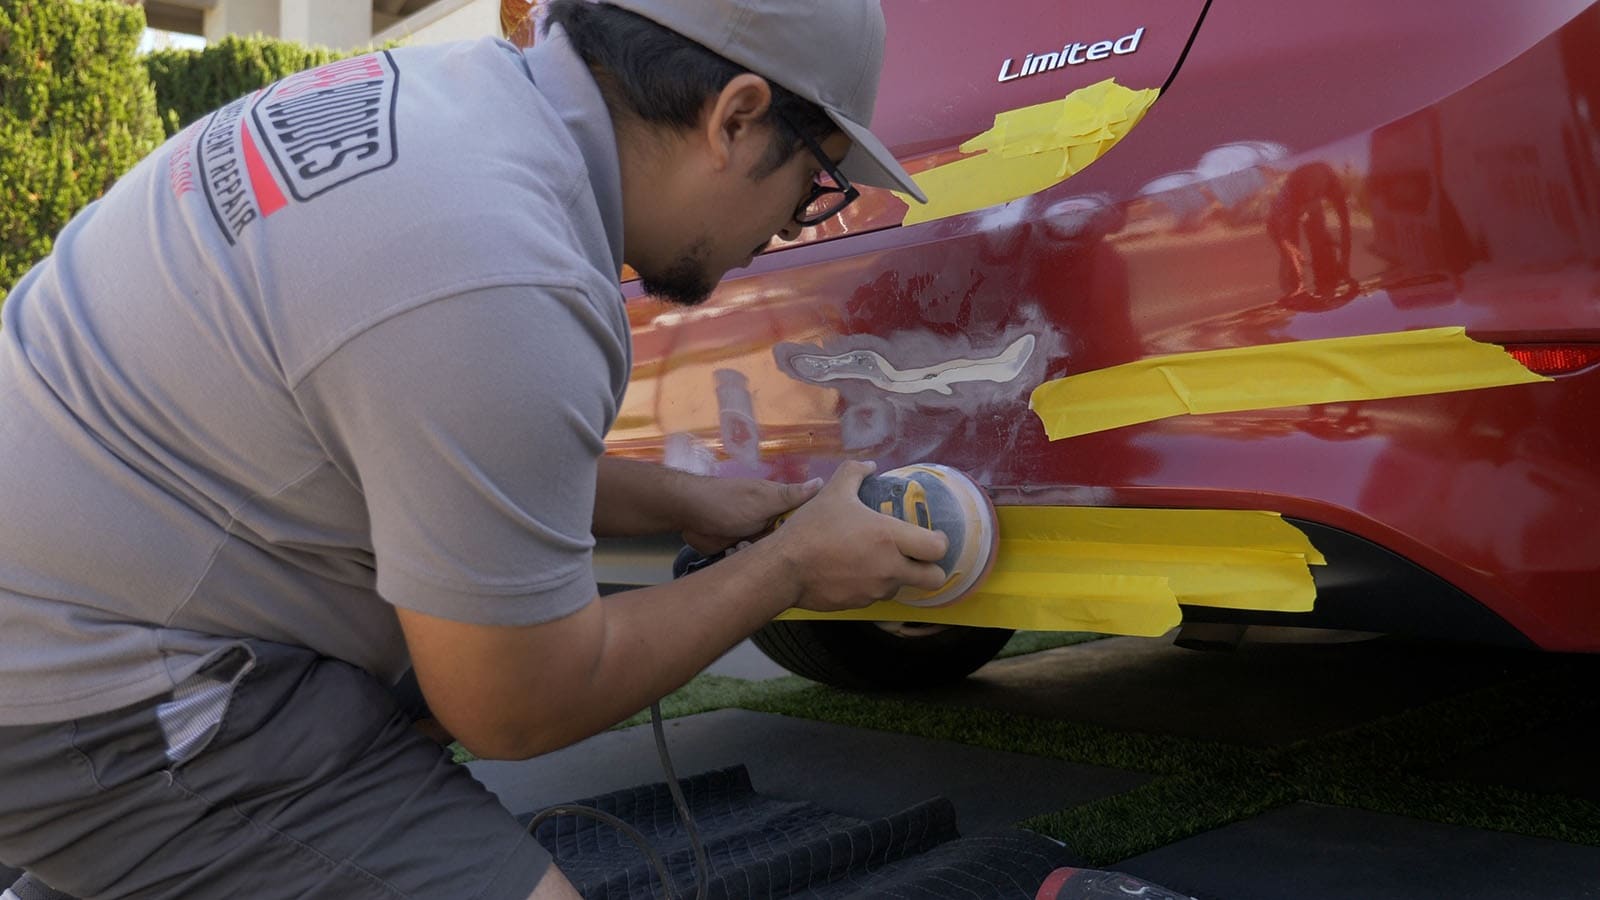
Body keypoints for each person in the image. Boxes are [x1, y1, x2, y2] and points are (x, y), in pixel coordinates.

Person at [0, 0, 945, 897]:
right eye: (814, 181)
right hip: (94, 698)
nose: (788, 226)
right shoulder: (504, 274)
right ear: (736, 118)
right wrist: (787, 569)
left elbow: (412, 447)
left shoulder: (440, 105)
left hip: (71, 611)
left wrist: (682, 502)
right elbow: (517, 706)